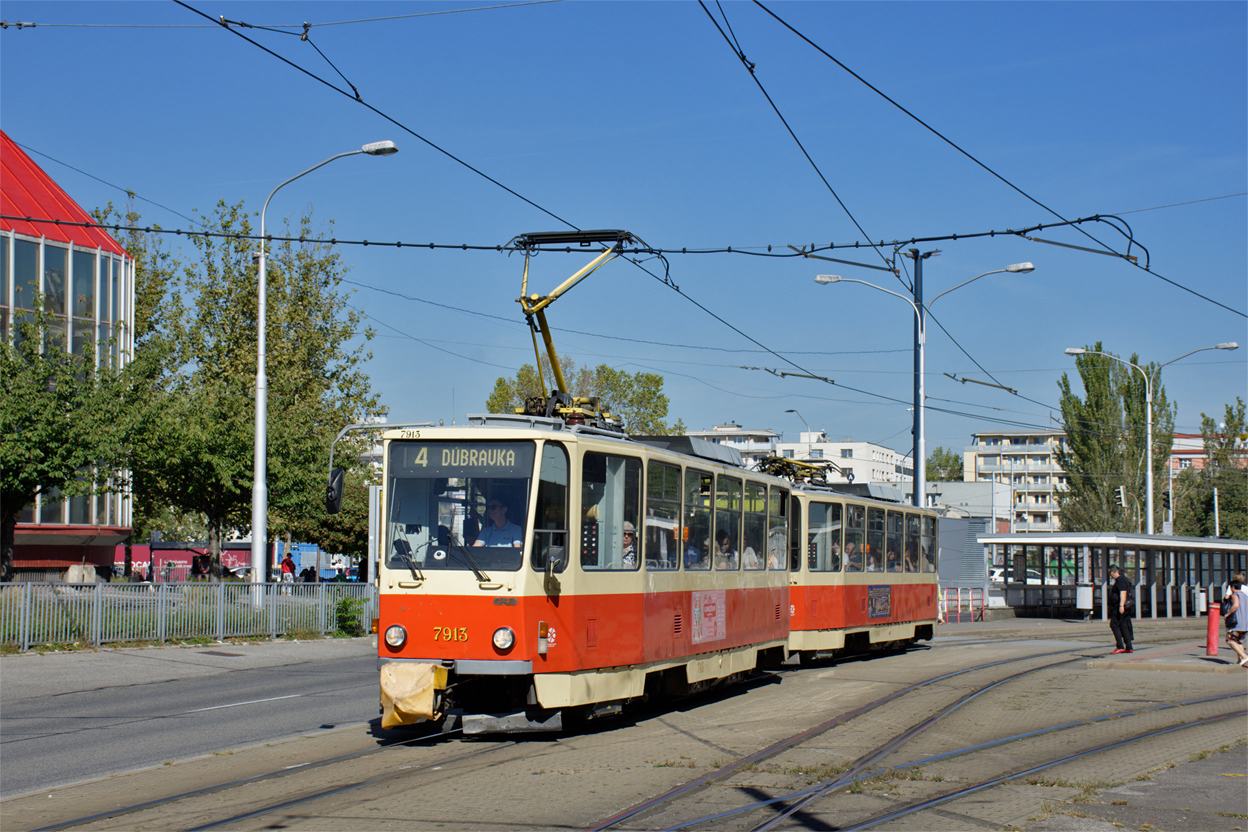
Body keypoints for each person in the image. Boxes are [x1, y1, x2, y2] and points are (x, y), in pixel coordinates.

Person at [1223, 573, 1248, 667]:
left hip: (1237, 621)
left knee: (1229, 639)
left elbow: (1235, 605)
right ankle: (1240, 660)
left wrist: (1227, 614)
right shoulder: (1245, 595)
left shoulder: (1235, 595)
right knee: (1239, 641)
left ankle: (1244, 657)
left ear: (1233, 587)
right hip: (1245, 622)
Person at [1108, 564, 1134, 654]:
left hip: (1120, 607)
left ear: (1114, 572)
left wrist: (1121, 606)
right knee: (1123, 625)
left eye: (1110, 573)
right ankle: (1129, 647)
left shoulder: (1120, 580)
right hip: (1122, 607)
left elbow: (1123, 593)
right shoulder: (1123, 579)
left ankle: (1120, 646)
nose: (1110, 575)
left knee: (1114, 624)